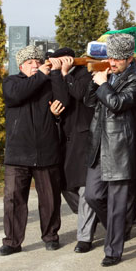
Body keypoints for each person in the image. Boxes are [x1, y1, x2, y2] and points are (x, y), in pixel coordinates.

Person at [0, 45, 69, 256]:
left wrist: (55, 73)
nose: (35, 65)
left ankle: (51, 236)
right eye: (30, 63)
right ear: (21, 66)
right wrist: (42, 76)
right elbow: (17, 96)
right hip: (17, 153)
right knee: (13, 199)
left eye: (38, 62)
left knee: (50, 199)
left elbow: (63, 100)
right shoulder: (12, 82)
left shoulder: (49, 81)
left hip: (46, 150)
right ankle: (12, 241)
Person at [84, 33, 136, 267]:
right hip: (99, 145)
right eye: (111, 57)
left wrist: (103, 85)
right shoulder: (107, 75)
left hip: (121, 147)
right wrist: (95, 82)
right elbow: (89, 102)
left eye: (118, 59)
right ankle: (118, 227)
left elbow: (118, 104)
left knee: (117, 204)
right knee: (92, 195)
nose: (112, 62)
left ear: (130, 58)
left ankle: (113, 250)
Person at [50, 47, 99, 254]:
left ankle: (84, 237)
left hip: (83, 139)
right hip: (62, 141)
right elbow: (61, 101)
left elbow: (78, 94)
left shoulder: (85, 74)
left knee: (83, 188)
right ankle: (98, 216)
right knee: (65, 186)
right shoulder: (55, 76)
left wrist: (64, 74)